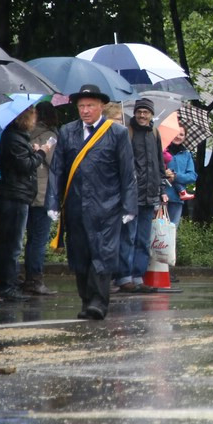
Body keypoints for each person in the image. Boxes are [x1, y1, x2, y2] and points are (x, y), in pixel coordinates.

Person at [46, 84, 136, 320]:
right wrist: (53, 202)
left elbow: (127, 171)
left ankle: (98, 302)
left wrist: (129, 205)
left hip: (107, 205)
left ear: (101, 107)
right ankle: (86, 301)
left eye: (90, 106)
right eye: (81, 106)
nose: (85, 110)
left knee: (103, 254)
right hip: (75, 203)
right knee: (80, 254)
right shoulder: (67, 132)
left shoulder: (116, 133)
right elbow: (57, 169)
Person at [0, 105, 51, 301]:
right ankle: (6, 286)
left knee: (3, 241)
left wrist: (31, 151)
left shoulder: (15, 137)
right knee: (11, 244)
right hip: (15, 195)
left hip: (15, 194)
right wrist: (41, 153)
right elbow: (25, 166)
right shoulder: (14, 137)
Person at [116, 98, 168, 294]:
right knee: (128, 236)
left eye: (146, 112)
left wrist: (162, 189)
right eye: (139, 112)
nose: (142, 115)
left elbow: (159, 163)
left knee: (143, 239)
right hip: (131, 194)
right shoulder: (126, 132)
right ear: (135, 113)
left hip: (151, 194)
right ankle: (124, 277)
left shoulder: (155, 133)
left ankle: (138, 277)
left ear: (151, 115)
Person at [23, 101, 59, 296]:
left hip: (26, 193)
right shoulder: (50, 136)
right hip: (43, 194)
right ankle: (35, 279)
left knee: (27, 238)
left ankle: (26, 277)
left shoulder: (24, 134)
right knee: (39, 239)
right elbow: (55, 163)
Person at [163, 124, 197, 220]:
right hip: (160, 197)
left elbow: (192, 176)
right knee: (156, 231)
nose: (178, 136)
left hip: (177, 199)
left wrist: (176, 176)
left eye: (181, 134)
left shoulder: (186, 154)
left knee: (171, 231)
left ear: (185, 137)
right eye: (176, 133)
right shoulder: (161, 150)